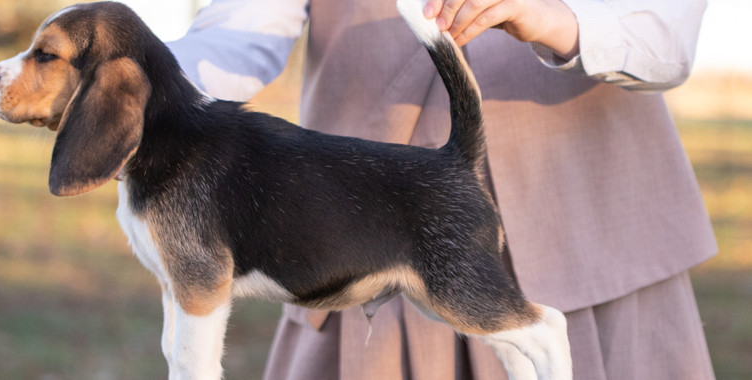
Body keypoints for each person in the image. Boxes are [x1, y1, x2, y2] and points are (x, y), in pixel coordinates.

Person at [166, 0, 717, 378]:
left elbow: (666, 30)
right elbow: (235, 32)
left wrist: (557, 17)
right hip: (356, 241)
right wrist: (145, 96)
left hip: (600, 241)